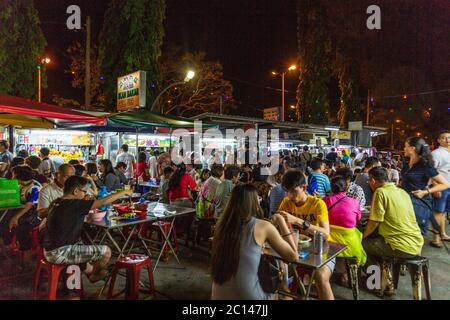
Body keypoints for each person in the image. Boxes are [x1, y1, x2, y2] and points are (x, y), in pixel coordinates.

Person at [211, 184, 298, 300]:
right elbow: (293, 257)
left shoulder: (221, 225)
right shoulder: (263, 226)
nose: (260, 201)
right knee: (282, 290)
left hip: (218, 295)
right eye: (258, 198)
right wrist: (281, 221)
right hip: (250, 296)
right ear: (253, 203)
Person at [42, 176, 133, 283]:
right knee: (106, 252)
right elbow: (103, 201)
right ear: (75, 191)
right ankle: (94, 275)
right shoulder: (74, 205)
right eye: (84, 191)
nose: (85, 194)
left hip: (49, 248)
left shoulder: (57, 201)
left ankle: (90, 271)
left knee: (84, 244)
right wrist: (124, 192)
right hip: (59, 253)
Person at [363, 167, 424, 295]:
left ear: (373, 180)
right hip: (417, 243)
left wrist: (362, 237)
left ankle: (378, 284)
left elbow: (374, 222)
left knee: (362, 246)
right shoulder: (402, 192)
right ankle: (386, 278)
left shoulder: (380, 192)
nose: (369, 183)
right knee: (377, 243)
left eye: (369, 180)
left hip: (399, 245)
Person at [277, 169, 334, 300]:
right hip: (296, 249)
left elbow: (325, 234)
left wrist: (298, 221)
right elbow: (277, 224)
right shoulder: (286, 202)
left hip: (320, 249)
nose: (290, 196)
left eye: (293, 191)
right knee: (277, 274)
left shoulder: (317, 204)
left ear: (304, 187)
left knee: (320, 276)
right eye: (287, 191)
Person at [401, 137, 450, 241]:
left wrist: (425, 192)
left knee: (416, 236)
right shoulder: (406, 164)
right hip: (405, 203)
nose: (404, 148)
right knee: (406, 234)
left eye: (405, 146)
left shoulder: (425, 166)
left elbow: (445, 184)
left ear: (412, 148)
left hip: (419, 204)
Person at [324, 176, 366, 285]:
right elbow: (358, 218)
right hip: (350, 243)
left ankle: (337, 272)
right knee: (357, 232)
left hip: (329, 240)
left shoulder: (325, 201)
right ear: (346, 188)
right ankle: (345, 274)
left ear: (332, 188)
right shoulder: (354, 202)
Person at [0, 165, 41, 266]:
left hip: (33, 214)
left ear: (20, 176)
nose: (12, 177)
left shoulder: (35, 186)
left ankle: (26, 256)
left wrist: (16, 217)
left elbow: (30, 205)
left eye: (14, 175)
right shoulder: (18, 184)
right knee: (3, 220)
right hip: (19, 210)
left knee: (21, 228)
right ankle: (6, 244)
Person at [431, 130, 450, 247]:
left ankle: (443, 233)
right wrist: (435, 187)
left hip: (448, 186)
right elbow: (431, 171)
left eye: (449, 138)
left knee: (443, 212)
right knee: (437, 212)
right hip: (441, 187)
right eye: (444, 138)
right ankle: (436, 238)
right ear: (439, 140)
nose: (447, 140)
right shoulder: (436, 153)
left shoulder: (448, 153)